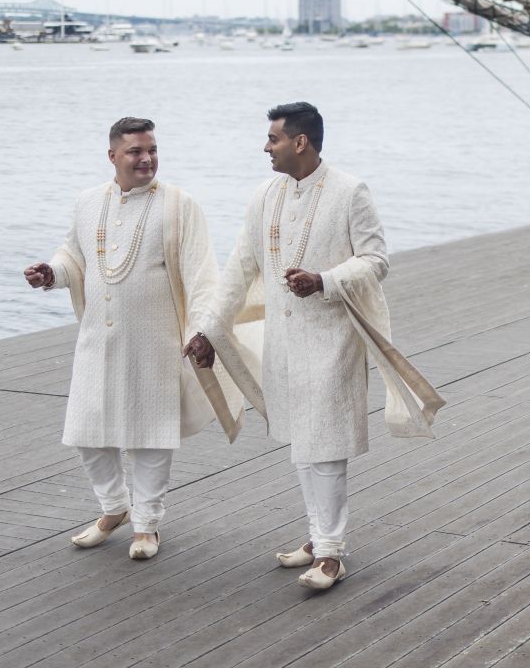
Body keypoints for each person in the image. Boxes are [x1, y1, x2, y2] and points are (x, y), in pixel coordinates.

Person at [187, 101, 442, 591]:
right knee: (304, 443)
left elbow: (376, 260)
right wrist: (207, 330)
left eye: (273, 138)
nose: (266, 146)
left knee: (325, 444)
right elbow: (239, 269)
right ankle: (317, 536)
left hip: (332, 338)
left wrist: (324, 280)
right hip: (285, 340)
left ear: (299, 142)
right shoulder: (264, 195)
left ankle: (331, 554)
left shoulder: (350, 192)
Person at [23, 117, 240, 560]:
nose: (146, 159)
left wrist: (203, 331)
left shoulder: (180, 205)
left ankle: (147, 525)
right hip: (97, 340)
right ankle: (114, 507)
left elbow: (202, 275)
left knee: (150, 435)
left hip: (156, 340)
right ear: (112, 156)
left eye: (152, 150)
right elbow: (74, 255)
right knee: (86, 430)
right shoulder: (87, 202)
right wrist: (53, 273)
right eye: (136, 152)